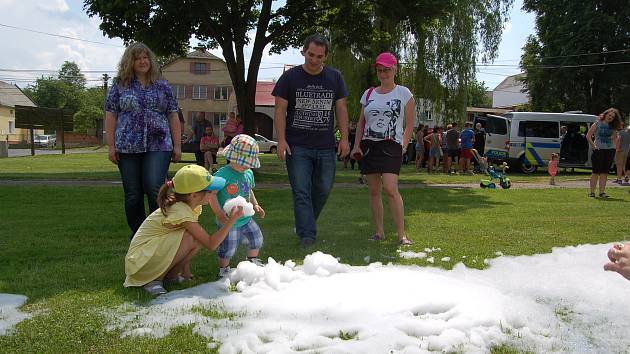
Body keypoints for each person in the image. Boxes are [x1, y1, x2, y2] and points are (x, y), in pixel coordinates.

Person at [272, 33, 350, 248]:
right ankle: (307, 235)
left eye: (319, 56)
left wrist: (344, 138)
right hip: (297, 146)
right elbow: (280, 110)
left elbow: (341, 108)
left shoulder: (335, 77)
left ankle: (304, 223)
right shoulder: (290, 77)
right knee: (301, 191)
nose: (314, 60)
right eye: (310, 55)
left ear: (326, 56)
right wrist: (281, 140)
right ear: (303, 52)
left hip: (325, 145)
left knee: (323, 188)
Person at [124, 164, 243, 296]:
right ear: (193, 195)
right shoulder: (180, 210)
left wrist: (185, 270)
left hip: (146, 257)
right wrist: (231, 221)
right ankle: (153, 281)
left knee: (194, 238)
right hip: (140, 262)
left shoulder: (191, 206)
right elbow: (211, 244)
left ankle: (171, 276)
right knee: (190, 237)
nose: (214, 193)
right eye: (210, 190)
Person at [105, 42, 181, 236]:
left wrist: (178, 145)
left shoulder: (162, 85)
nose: (142, 61)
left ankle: (158, 231)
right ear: (130, 62)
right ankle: (139, 234)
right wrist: (111, 146)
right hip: (127, 146)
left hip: (159, 144)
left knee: (155, 187)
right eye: (137, 58)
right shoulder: (120, 85)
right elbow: (111, 114)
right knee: (133, 193)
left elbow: (173, 114)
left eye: (145, 57)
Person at [350, 52, 414, 246]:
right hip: (369, 145)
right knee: (374, 190)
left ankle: (401, 235)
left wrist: (403, 143)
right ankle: (379, 232)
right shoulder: (368, 94)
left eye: (387, 69)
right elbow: (361, 123)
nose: (383, 73)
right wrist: (356, 145)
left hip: (392, 145)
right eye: (380, 70)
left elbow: (410, 123)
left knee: (390, 188)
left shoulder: (403, 93)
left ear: (395, 69)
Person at [209, 134, 265, 278]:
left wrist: (256, 204)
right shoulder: (222, 174)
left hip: (246, 218)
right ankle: (224, 269)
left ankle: (252, 261)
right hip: (228, 221)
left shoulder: (248, 173)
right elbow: (212, 194)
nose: (246, 166)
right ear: (232, 157)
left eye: (248, 163)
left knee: (256, 238)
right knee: (228, 247)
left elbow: (249, 190)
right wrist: (219, 212)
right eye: (243, 163)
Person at [586, 108, 622, 198]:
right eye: (609, 115)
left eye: (613, 117)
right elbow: (588, 135)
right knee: (595, 172)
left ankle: (602, 193)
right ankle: (592, 193)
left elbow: (615, 138)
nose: (610, 117)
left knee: (604, 173)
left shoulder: (613, 126)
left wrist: (616, 148)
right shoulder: (597, 123)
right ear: (605, 114)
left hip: (610, 151)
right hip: (598, 150)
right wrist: (593, 146)